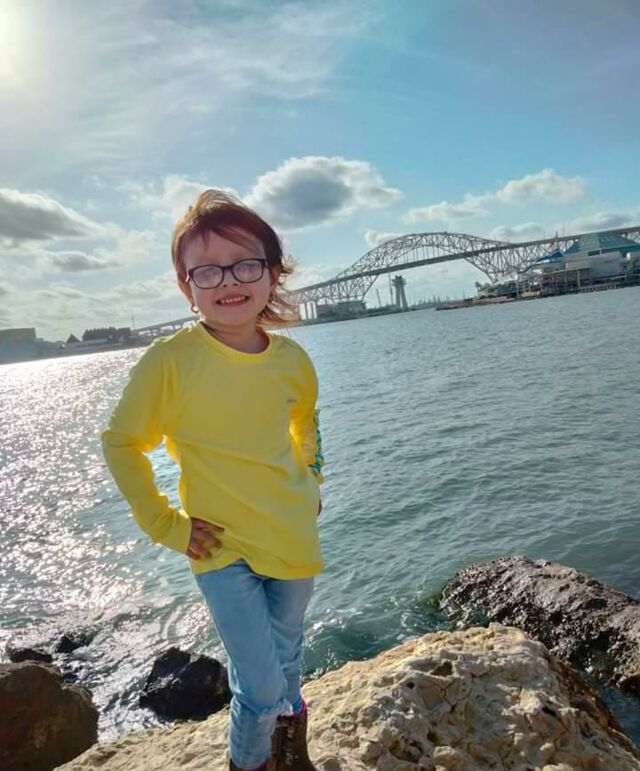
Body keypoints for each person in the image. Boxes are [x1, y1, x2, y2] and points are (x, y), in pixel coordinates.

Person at [102, 190, 324, 771]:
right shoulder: (169, 361)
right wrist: (165, 524)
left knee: (287, 661)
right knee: (260, 684)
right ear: (186, 286)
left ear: (272, 273)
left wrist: (313, 479)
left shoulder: (293, 361)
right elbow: (121, 442)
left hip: (292, 535)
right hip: (218, 546)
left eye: (245, 264)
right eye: (207, 270)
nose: (229, 280)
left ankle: (291, 756)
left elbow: (306, 422)